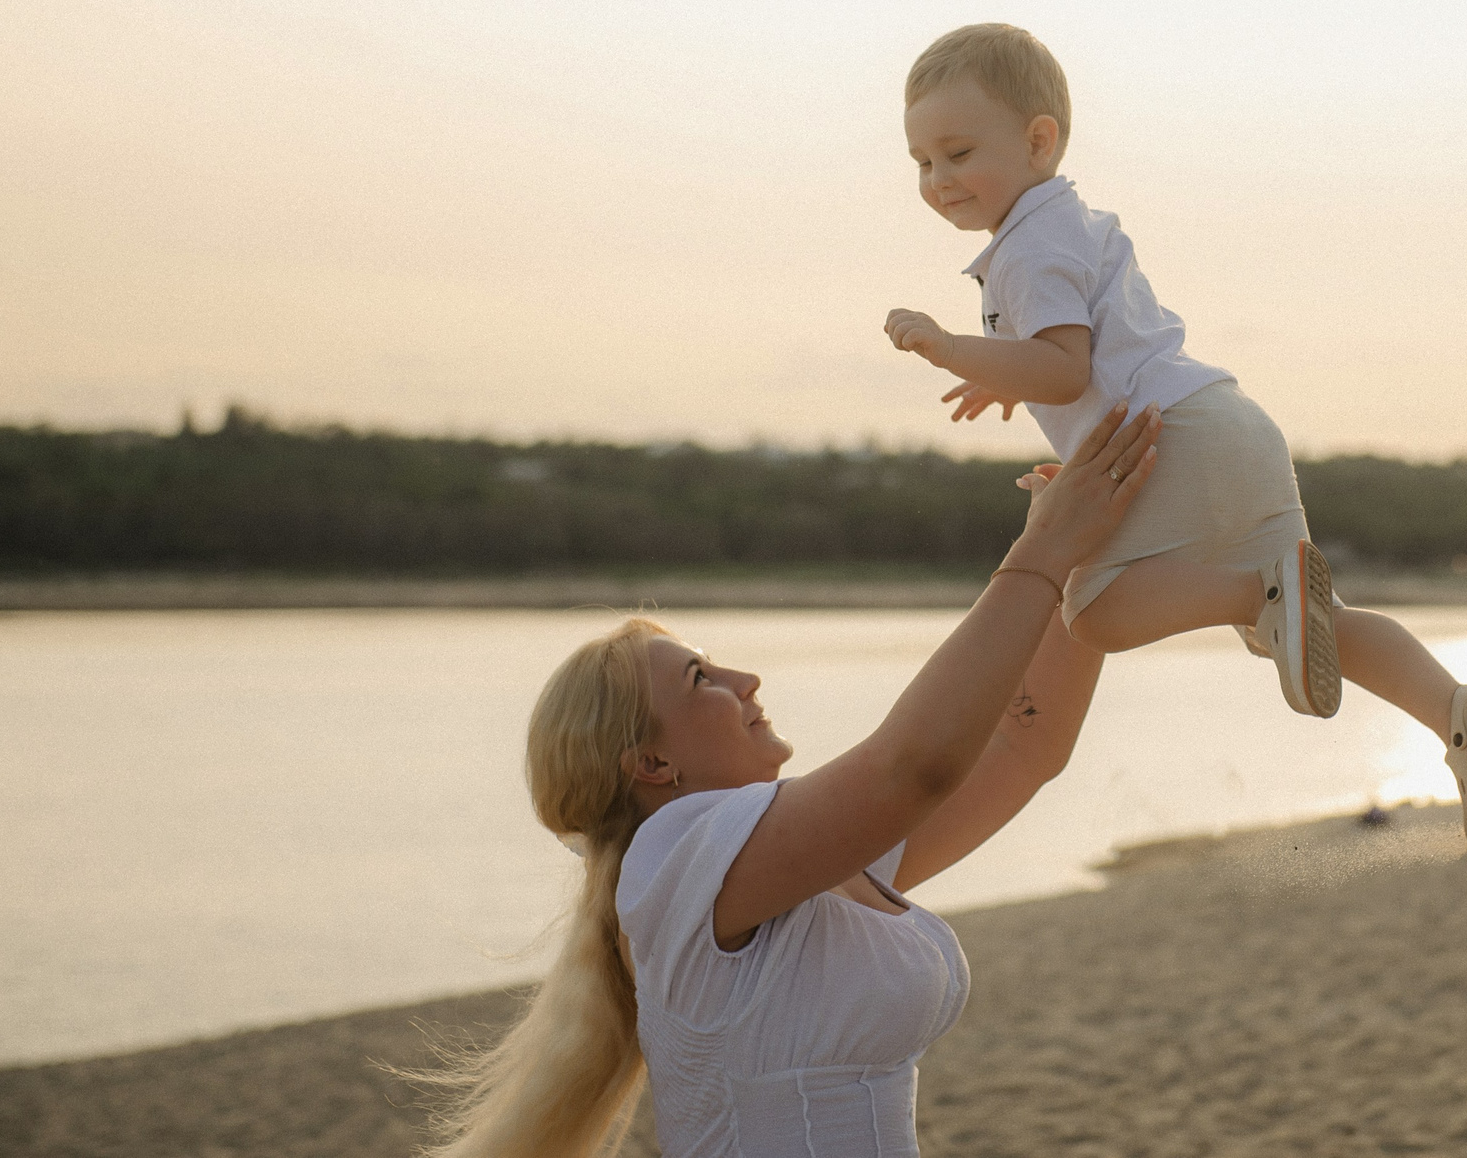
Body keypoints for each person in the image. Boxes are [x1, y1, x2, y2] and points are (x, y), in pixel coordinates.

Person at [409, 401, 1163, 1158]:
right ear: (651, 765)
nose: (746, 678)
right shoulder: (673, 853)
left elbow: (1024, 745)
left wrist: (1082, 563)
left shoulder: (801, 863)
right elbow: (916, 765)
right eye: (702, 676)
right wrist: (1044, 543)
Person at [883, 24, 1467, 857]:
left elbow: (1062, 365)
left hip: (1171, 440)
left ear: (1039, 140)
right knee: (1319, 620)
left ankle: (1258, 593)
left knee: (1093, 613)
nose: (938, 180)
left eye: (957, 152)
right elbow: (1080, 352)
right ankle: (1459, 714)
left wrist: (949, 345)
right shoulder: (1070, 222)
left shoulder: (1022, 249)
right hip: (1233, 426)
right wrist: (1002, 369)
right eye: (921, 163)